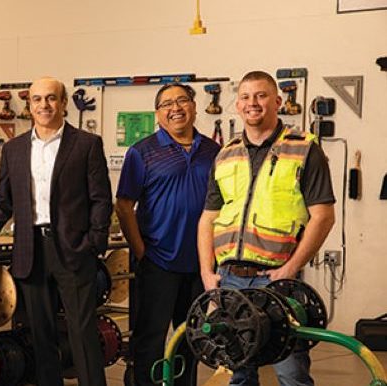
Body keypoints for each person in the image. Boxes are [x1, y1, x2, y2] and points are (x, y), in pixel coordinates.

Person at [0, 77, 112, 386]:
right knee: (40, 335)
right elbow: (3, 199)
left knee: (82, 332)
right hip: (30, 250)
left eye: (51, 98)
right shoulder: (13, 149)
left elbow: (101, 199)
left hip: (73, 249)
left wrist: (94, 243)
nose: (44, 105)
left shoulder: (86, 144)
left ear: (64, 103)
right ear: (29, 106)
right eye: (38, 99)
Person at [198, 71, 335, 386]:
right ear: (237, 105)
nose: (252, 103)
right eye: (245, 97)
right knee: (239, 370)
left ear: (277, 102)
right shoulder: (225, 154)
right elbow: (207, 218)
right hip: (229, 278)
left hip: (277, 281)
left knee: (292, 373)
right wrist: (208, 273)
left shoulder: (303, 148)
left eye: (260, 96)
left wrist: (291, 267)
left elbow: (324, 216)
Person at [115, 83, 220, 386]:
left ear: (194, 106)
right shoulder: (142, 152)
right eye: (167, 104)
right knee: (150, 339)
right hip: (157, 261)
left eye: (182, 101)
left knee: (191, 337)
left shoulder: (214, 152)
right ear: (157, 114)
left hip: (201, 265)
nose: (176, 108)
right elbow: (123, 206)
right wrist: (140, 252)